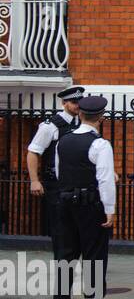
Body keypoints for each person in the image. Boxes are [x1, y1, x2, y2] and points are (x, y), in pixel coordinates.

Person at [51, 95, 122, 299]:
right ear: (100, 118)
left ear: (80, 114)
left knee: (65, 255)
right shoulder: (99, 144)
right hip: (90, 205)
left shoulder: (63, 140)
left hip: (64, 202)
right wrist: (110, 209)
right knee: (94, 256)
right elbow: (105, 180)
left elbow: (59, 171)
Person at [26, 85, 84, 237]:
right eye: (74, 102)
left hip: (76, 184)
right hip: (55, 184)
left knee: (75, 228)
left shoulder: (82, 124)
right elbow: (33, 152)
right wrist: (34, 181)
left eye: (80, 101)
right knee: (59, 228)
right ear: (64, 103)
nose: (78, 105)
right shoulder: (51, 126)